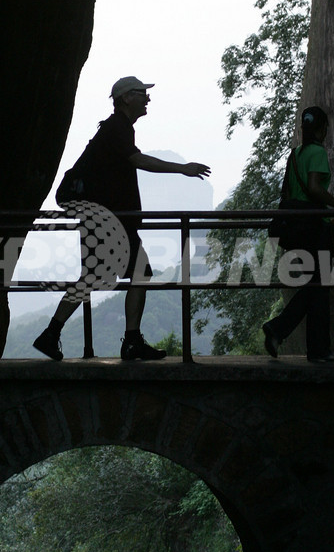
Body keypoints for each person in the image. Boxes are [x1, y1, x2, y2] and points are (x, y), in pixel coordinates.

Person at [33, 76, 211, 361]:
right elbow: (138, 161)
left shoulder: (116, 128)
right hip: (109, 220)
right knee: (139, 274)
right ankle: (128, 341)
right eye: (142, 93)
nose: (147, 98)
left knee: (96, 276)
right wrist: (183, 168)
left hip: (104, 218)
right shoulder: (118, 126)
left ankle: (52, 334)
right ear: (126, 97)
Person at [262, 105, 334, 364]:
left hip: (297, 230)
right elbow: (314, 188)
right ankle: (312, 347)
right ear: (323, 129)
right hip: (314, 228)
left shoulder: (295, 155)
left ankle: (295, 338)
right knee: (318, 287)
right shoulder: (317, 153)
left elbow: (291, 193)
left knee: (315, 287)